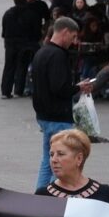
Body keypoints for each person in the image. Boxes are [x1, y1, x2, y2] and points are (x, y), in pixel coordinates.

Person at [30, 17, 86, 190]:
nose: (74, 41)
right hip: (58, 116)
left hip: (44, 115)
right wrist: (78, 87)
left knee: (48, 160)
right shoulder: (58, 55)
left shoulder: (42, 52)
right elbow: (59, 88)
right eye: (73, 36)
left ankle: (40, 198)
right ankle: (56, 200)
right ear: (65, 32)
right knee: (60, 164)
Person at [0, 0, 30, 99]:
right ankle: (18, 90)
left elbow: (4, 29)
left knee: (9, 66)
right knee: (22, 66)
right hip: (24, 42)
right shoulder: (28, 14)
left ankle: (5, 91)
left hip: (10, 42)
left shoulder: (8, 13)